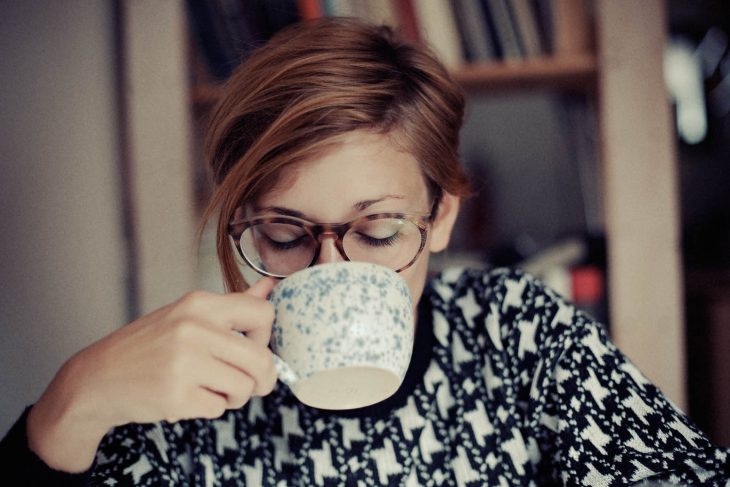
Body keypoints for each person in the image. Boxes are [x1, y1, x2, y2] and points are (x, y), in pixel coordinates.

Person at [1, 17, 728, 487]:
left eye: (378, 231)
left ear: (439, 216)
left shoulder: (517, 332)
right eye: (282, 234)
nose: (330, 271)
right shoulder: (183, 390)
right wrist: (69, 406)